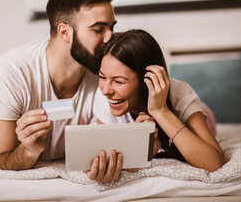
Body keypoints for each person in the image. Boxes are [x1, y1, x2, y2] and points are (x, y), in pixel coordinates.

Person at [0, 0, 122, 182]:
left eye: (111, 27)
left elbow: (106, 145)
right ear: (65, 32)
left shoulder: (105, 73)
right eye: (99, 29)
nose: (110, 37)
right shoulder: (7, 72)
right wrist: (28, 151)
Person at [93, 29, 225, 172]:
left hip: (200, 113)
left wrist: (160, 112)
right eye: (102, 77)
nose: (105, 90)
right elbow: (113, 161)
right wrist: (147, 147)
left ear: (147, 79)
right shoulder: (103, 97)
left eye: (118, 81)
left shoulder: (180, 94)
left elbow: (214, 163)